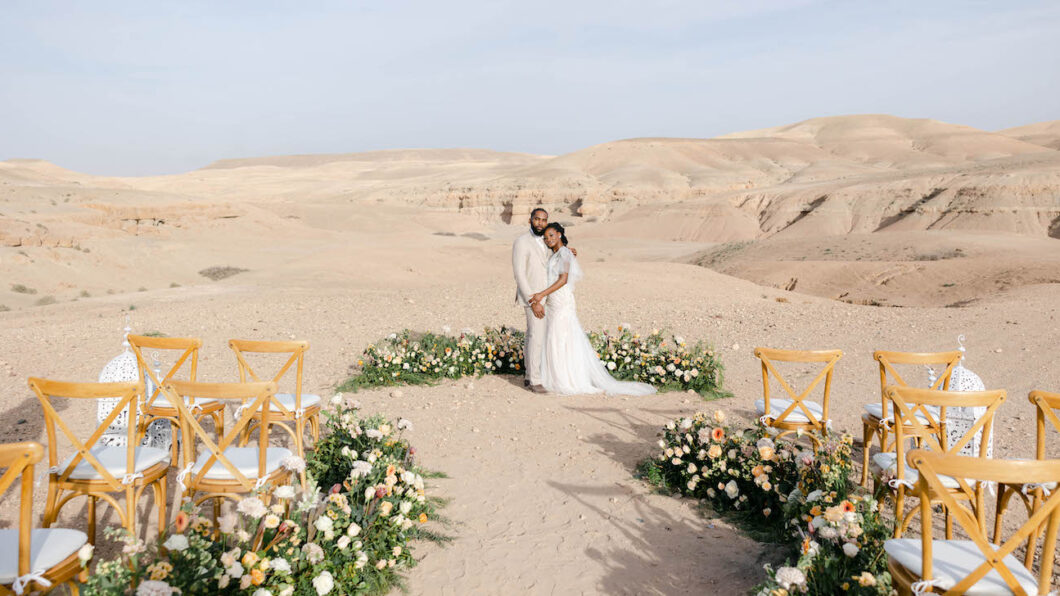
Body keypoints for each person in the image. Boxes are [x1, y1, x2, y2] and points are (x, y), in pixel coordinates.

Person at [528, 223, 656, 396]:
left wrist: (541, 294)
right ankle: (557, 377)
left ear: (559, 234)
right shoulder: (556, 255)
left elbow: (563, 279)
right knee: (554, 337)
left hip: (562, 300)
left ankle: (567, 379)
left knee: (562, 337)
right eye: (545, 237)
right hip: (553, 302)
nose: (548, 239)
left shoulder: (565, 253)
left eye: (551, 235)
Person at [511, 208, 552, 393]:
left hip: (547, 296)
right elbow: (519, 273)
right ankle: (535, 380)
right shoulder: (521, 242)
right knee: (536, 336)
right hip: (532, 297)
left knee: (532, 335)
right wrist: (532, 300)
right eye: (537, 219)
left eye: (543, 220)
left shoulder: (547, 241)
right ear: (530, 220)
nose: (540, 223)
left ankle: (529, 376)